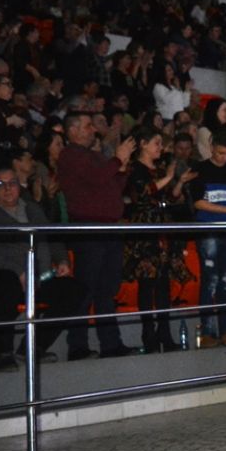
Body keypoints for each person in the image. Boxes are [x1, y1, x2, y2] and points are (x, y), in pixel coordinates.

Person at [0, 167, 88, 368]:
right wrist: (18, 271)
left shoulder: (32, 209)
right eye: (0, 184)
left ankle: (33, 347)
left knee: (75, 290)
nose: (7, 188)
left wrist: (62, 260)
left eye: (12, 183)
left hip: (37, 276)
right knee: (6, 282)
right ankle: (2, 353)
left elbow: (51, 236)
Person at [57, 112, 137, 360]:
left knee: (106, 289)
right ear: (72, 131)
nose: (93, 130)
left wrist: (121, 168)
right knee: (86, 288)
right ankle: (77, 346)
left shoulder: (93, 156)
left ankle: (111, 344)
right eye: (87, 126)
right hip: (89, 228)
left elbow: (111, 186)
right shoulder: (70, 155)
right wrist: (117, 159)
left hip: (108, 228)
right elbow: (97, 178)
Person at [124, 126, 197, 353]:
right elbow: (143, 195)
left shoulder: (160, 169)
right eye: (156, 143)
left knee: (164, 282)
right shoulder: (135, 169)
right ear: (143, 144)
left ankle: (164, 332)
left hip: (163, 228)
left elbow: (171, 197)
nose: (160, 148)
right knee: (147, 282)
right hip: (146, 230)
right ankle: (148, 334)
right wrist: (168, 178)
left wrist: (179, 182)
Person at [188, 129, 226, 348]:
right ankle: (208, 332)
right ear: (211, 148)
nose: (224, 157)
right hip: (208, 230)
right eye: (221, 153)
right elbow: (198, 202)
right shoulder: (200, 169)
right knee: (210, 280)